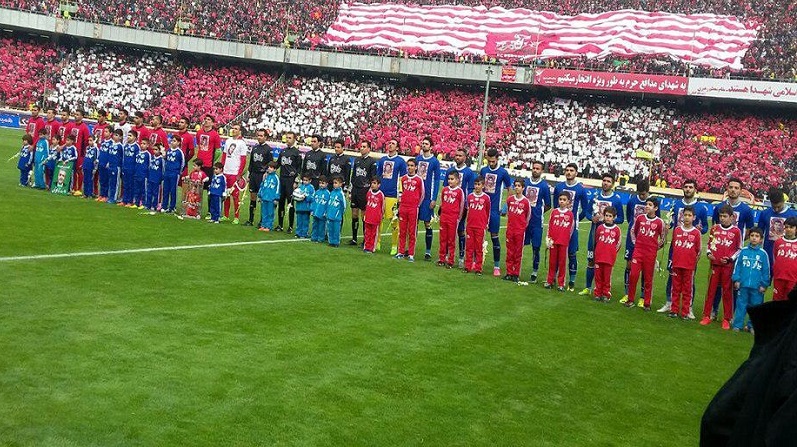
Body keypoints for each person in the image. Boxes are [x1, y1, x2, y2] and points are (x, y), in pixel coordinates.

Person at [660, 179, 709, 315]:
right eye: (686, 187)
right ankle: (669, 303)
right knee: (672, 275)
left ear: (695, 189)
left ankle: (689, 308)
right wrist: (668, 223)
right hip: (676, 247)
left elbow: (705, 227)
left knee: (689, 279)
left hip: (690, 249)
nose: (688, 189)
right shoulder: (676, 205)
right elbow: (671, 220)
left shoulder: (701, 208)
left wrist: (700, 229)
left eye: (690, 187)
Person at [580, 173, 624, 296]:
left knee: (605, 263)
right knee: (591, 260)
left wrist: (609, 220)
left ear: (613, 184)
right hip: (594, 232)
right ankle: (588, 288)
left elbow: (621, 218)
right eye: (604, 180)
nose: (605, 183)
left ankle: (604, 290)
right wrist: (591, 218)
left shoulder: (616, 200)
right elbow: (588, 212)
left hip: (608, 237)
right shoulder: (595, 196)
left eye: (608, 181)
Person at [700, 205, 743, 329]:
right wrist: (709, 254)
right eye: (721, 216)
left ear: (732, 217)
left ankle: (726, 318)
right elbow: (709, 244)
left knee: (727, 291)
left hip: (727, 266)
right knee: (711, 290)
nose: (722, 219)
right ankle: (707, 315)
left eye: (725, 216)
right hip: (715, 265)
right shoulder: (715, 229)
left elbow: (739, 249)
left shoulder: (736, 231)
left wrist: (730, 259)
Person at [624, 197, 667, 311]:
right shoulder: (640, 218)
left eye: (650, 205)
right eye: (646, 204)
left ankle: (647, 303)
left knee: (648, 279)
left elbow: (663, 239)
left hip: (650, 254)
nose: (647, 206)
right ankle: (630, 299)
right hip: (638, 252)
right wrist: (635, 243)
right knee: (633, 275)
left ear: (656, 208)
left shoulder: (659, 222)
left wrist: (654, 248)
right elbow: (633, 231)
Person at [552, 163, 588, 291]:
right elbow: (555, 205)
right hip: (559, 227)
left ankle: (571, 280)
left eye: (571, 170)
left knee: (572, 253)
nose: (568, 172)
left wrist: (576, 219)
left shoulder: (581, 189)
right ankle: (553, 278)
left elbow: (585, 208)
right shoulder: (559, 187)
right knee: (555, 253)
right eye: (567, 170)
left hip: (572, 227)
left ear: (576, 173)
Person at [619, 180, 656, 303]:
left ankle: (642, 296)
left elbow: (657, 219)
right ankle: (627, 293)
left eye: (644, 194)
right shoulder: (632, 201)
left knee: (645, 268)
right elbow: (629, 217)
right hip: (632, 239)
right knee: (629, 265)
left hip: (646, 241)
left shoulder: (653, 202)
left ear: (648, 192)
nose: (642, 196)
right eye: (640, 194)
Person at [480, 148, 513, 277]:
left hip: (494, 210)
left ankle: (497, 266)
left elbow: (510, 189)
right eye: (489, 161)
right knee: (479, 236)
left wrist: (505, 206)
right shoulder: (483, 170)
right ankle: (477, 262)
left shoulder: (503, 172)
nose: (491, 163)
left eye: (493, 161)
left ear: (497, 159)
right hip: (482, 209)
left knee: (494, 237)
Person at [731, 227, 770, 332]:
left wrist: (764, 284)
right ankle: (737, 325)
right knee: (741, 305)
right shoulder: (743, 251)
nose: (754, 238)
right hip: (743, 285)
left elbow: (766, 271)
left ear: (761, 239)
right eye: (752, 235)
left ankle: (752, 326)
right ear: (749, 237)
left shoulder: (763, 254)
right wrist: (737, 279)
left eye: (757, 236)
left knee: (756, 307)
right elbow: (737, 267)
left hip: (757, 287)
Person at [443, 148, 475, 268]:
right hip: (448, 206)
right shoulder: (450, 170)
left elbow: (470, 190)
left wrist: (467, 205)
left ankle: (461, 257)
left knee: (460, 231)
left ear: (465, 157)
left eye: (460, 155)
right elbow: (445, 187)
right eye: (456, 155)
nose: (457, 157)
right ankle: (446, 255)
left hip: (461, 207)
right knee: (446, 232)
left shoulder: (469, 172)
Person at [668, 206, 702, 319]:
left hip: (688, 266)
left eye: (689, 215)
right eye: (685, 215)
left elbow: (698, 251)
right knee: (675, 288)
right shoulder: (677, 230)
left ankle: (685, 312)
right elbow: (673, 246)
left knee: (687, 290)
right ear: (682, 216)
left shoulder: (696, 233)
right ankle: (674, 310)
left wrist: (692, 263)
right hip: (677, 264)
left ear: (694, 217)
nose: (687, 218)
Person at [376, 139, 408, 255]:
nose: (390, 145)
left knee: (394, 221)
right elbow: (377, 177)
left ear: (397, 148)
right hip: (381, 193)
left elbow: (402, 179)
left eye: (393, 143)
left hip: (392, 195)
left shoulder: (400, 161)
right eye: (389, 143)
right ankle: (377, 242)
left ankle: (394, 245)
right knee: (378, 219)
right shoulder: (382, 160)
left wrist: (400, 194)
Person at [523, 160, 552, 283]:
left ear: (542, 171)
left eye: (538, 168)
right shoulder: (526, 182)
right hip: (523, 221)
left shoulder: (544, 186)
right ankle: (515, 268)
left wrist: (538, 212)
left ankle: (534, 271)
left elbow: (548, 205)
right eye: (534, 168)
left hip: (536, 222)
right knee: (520, 245)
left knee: (536, 247)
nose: (535, 170)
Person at [415, 137, 441, 261]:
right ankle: (411, 248)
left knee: (427, 223)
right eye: (423, 143)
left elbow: (436, 181)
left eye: (426, 144)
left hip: (427, 198)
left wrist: (434, 198)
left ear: (431, 147)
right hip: (416, 197)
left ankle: (428, 251)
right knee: (413, 223)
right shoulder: (418, 159)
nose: (424, 145)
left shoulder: (435, 162)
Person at [758, 189, 796, 271]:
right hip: (767, 252)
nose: (776, 209)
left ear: (783, 201)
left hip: (787, 254)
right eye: (774, 206)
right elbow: (759, 233)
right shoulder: (764, 213)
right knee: (764, 280)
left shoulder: (793, 215)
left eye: (779, 206)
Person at [396, 158, 425, 261]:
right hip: (403, 207)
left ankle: (411, 253)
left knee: (412, 231)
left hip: (413, 208)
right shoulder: (402, 179)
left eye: (412, 165)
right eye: (408, 165)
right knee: (402, 231)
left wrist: (417, 205)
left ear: (416, 167)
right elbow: (400, 192)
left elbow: (422, 194)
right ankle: (401, 252)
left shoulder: (419, 179)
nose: (410, 167)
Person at [546, 192, 575, 291]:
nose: (562, 201)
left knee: (562, 263)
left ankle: (561, 283)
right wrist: (548, 238)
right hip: (553, 242)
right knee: (552, 262)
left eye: (564, 200)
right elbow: (549, 226)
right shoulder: (554, 212)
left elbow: (571, 229)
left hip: (563, 242)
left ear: (568, 202)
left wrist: (566, 238)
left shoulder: (570, 214)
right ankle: (549, 281)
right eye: (560, 199)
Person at [504, 179, 532, 282]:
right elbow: (508, 212)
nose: (517, 187)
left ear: (523, 188)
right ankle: (509, 272)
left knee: (517, 252)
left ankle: (516, 274)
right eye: (515, 185)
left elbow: (528, 216)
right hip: (510, 230)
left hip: (519, 231)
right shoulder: (510, 200)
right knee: (509, 252)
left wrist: (522, 227)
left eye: (519, 186)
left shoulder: (525, 202)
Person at [350, 140, 377, 246]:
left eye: (364, 146)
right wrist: (351, 190)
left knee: (364, 216)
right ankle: (354, 238)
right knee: (354, 214)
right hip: (355, 189)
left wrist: (371, 191)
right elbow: (353, 176)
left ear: (369, 149)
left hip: (364, 190)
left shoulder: (372, 162)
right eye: (361, 146)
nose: (361, 148)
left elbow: (373, 178)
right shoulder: (356, 160)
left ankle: (365, 239)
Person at [244, 128, 273, 226]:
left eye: (261, 136)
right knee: (253, 197)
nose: (259, 137)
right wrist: (249, 173)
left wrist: (267, 174)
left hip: (262, 176)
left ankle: (262, 221)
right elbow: (251, 162)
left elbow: (271, 164)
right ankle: (250, 219)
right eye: (258, 135)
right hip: (253, 175)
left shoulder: (269, 149)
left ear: (265, 137)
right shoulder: (255, 148)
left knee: (262, 199)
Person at [220, 123, 249, 224]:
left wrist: (239, 174)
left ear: (240, 131)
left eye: (236, 129)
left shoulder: (242, 143)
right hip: (226, 171)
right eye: (233, 128)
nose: (234, 130)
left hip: (234, 172)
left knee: (235, 195)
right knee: (226, 194)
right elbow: (224, 156)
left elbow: (243, 160)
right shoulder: (228, 141)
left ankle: (236, 217)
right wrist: (221, 169)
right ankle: (226, 215)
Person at [592, 206, 622, 302]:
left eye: (610, 216)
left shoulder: (617, 229)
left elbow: (618, 244)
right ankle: (598, 293)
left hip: (609, 258)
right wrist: (597, 252)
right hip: (599, 257)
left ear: (614, 217)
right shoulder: (600, 228)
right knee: (598, 276)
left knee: (607, 277)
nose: (608, 218)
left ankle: (606, 294)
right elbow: (596, 240)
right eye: (606, 216)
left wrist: (612, 253)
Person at [438, 171, 465, 268]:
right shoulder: (444, 189)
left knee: (451, 240)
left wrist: (458, 218)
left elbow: (462, 206)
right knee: (442, 239)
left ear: (457, 180)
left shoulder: (459, 191)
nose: (450, 181)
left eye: (452, 179)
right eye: (449, 179)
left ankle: (451, 260)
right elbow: (442, 202)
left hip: (453, 218)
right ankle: (441, 258)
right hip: (444, 217)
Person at [464, 176, 491, 275]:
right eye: (475, 184)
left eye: (479, 184)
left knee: (479, 248)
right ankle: (468, 266)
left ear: (483, 186)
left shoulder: (486, 198)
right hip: (470, 225)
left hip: (480, 226)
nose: (477, 186)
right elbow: (468, 210)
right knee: (469, 247)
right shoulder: (470, 196)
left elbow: (488, 211)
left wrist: (486, 223)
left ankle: (478, 268)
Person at [276, 131, 302, 233]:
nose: (288, 140)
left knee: (290, 203)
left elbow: (299, 168)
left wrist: (296, 180)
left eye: (290, 138)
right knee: (281, 202)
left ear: (294, 139)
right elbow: (278, 164)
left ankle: (290, 226)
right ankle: (280, 224)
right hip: (282, 179)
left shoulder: (296, 152)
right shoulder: (283, 151)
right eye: (287, 138)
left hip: (291, 181)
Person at [195, 115, 222, 210]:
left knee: (209, 189)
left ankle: (210, 211)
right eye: (205, 119)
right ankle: (194, 208)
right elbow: (199, 144)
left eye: (209, 120)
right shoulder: (199, 133)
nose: (206, 121)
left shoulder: (215, 135)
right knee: (197, 187)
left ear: (212, 122)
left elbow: (219, 151)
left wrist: (212, 161)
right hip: (199, 165)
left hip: (208, 165)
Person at [772, 217, 797, 301]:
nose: (788, 229)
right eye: (786, 227)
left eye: (791, 227)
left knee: (789, 302)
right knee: (777, 301)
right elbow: (775, 257)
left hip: (793, 279)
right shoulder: (778, 242)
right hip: (779, 277)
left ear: (796, 229)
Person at [67, 109, 90, 196]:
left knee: (79, 171)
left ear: (81, 116)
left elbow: (86, 141)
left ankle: (79, 189)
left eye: (77, 114)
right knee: (72, 170)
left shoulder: (84, 127)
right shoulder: (72, 126)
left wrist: (83, 153)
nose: (75, 116)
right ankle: (73, 187)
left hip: (80, 153)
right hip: (71, 151)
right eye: (75, 114)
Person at [163, 135, 186, 213]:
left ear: (178, 143)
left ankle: (172, 207)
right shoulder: (168, 150)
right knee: (165, 190)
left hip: (175, 174)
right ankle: (164, 206)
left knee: (173, 190)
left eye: (174, 141)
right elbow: (165, 159)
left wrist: (179, 172)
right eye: (172, 140)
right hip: (167, 173)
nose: (172, 142)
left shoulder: (179, 152)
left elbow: (183, 163)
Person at [363, 177, 385, 253]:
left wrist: (381, 216)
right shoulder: (369, 193)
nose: (372, 185)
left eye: (375, 183)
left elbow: (382, 207)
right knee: (367, 233)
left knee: (374, 234)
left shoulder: (380, 195)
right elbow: (367, 203)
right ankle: (366, 246)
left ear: (379, 185)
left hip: (375, 218)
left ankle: (372, 248)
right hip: (368, 217)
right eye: (372, 183)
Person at [257, 162, 280, 231]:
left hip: (271, 199)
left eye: (271, 167)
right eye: (269, 167)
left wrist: (276, 198)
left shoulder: (276, 178)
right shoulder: (266, 176)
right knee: (264, 212)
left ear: (275, 169)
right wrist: (260, 195)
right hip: (264, 198)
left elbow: (278, 188)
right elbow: (262, 186)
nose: (269, 169)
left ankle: (268, 226)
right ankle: (263, 225)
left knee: (270, 213)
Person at [120, 130, 140, 207]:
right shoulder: (126, 146)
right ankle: (124, 200)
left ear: (135, 138)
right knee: (125, 185)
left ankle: (130, 201)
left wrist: (136, 169)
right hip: (125, 168)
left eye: (130, 135)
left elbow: (138, 160)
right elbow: (124, 158)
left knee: (131, 185)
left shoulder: (136, 147)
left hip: (132, 169)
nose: (128, 137)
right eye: (128, 135)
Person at [326, 176, 347, 247]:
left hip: (337, 216)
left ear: (340, 184)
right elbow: (329, 203)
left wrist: (340, 214)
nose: (334, 184)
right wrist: (327, 212)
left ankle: (336, 242)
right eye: (333, 183)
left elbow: (343, 205)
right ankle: (330, 241)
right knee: (330, 229)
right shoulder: (331, 193)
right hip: (330, 215)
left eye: (336, 183)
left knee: (336, 230)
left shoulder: (341, 194)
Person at [294, 173, 315, 238]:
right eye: (304, 180)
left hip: (306, 208)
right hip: (299, 207)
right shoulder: (300, 187)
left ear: (310, 180)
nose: (305, 182)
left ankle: (304, 233)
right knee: (299, 221)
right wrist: (296, 197)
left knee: (305, 221)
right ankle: (298, 233)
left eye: (306, 180)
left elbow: (313, 198)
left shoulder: (311, 188)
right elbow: (296, 195)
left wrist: (306, 197)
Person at [105, 129, 124, 204]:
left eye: (117, 135)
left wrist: (121, 167)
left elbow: (122, 157)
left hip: (117, 167)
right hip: (111, 166)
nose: (114, 137)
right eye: (114, 135)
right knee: (110, 182)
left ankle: (115, 198)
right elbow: (110, 155)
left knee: (116, 183)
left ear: (120, 137)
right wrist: (108, 163)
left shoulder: (120, 146)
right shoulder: (111, 145)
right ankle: (110, 196)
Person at [146, 144, 164, 214]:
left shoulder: (161, 159)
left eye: (156, 149)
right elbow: (149, 167)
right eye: (153, 149)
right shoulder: (152, 157)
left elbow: (163, 170)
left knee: (156, 193)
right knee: (149, 192)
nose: (154, 151)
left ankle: (155, 205)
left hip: (157, 179)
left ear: (160, 151)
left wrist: (161, 178)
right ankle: (148, 205)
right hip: (151, 177)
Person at [133, 139, 151, 209]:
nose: (142, 145)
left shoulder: (148, 154)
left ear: (147, 145)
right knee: (136, 189)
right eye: (141, 143)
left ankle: (143, 203)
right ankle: (136, 202)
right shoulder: (137, 153)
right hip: (137, 174)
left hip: (144, 175)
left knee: (144, 190)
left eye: (144, 144)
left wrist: (147, 174)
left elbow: (149, 165)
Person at [311, 176, 330, 242]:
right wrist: (312, 210)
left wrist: (326, 212)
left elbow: (328, 204)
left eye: (323, 183)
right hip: (316, 212)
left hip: (322, 213)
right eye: (320, 183)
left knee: (321, 226)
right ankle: (314, 237)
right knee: (315, 225)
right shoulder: (317, 192)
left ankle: (320, 238)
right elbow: (313, 202)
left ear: (326, 184)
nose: (321, 185)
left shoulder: (328, 193)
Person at [96, 127, 112, 201]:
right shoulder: (103, 141)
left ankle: (106, 196)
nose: (104, 133)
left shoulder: (111, 143)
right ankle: (101, 194)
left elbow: (111, 154)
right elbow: (100, 151)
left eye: (106, 131)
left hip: (106, 164)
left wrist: (109, 162)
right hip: (101, 163)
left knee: (106, 180)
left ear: (110, 133)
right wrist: (98, 159)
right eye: (104, 131)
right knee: (101, 180)